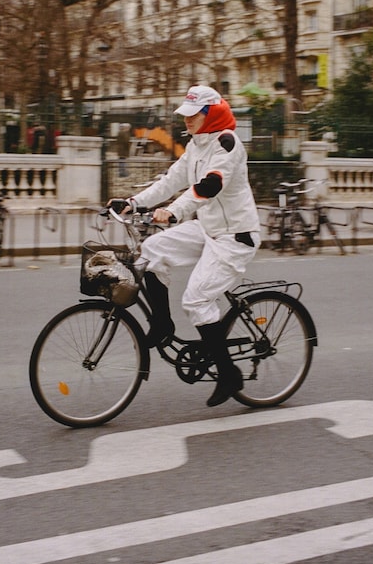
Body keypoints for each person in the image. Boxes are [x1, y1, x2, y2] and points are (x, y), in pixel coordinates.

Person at [110, 85, 261, 407]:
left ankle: (228, 373)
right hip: (207, 229)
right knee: (151, 251)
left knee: (196, 301)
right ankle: (162, 324)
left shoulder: (227, 143)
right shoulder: (196, 145)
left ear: (209, 114)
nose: (187, 119)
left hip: (235, 236)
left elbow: (211, 185)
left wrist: (174, 211)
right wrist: (133, 203)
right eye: (185, 115)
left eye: (193, 115)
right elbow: (171, 180)